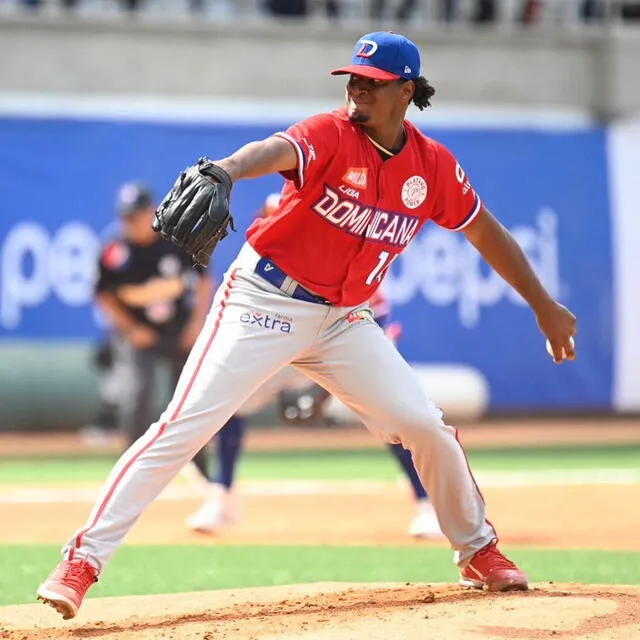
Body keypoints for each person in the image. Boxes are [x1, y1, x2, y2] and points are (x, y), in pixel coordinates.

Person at [37, 31, 577, 620]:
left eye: (371, 83)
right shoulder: (331, 133)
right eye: (352, 79)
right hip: (265, 299)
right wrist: (224, 170)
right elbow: (272, 151)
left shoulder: (432, 167)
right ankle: (82, 560)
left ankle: (478, 549)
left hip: (345, 319)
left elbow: (485, 231)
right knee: (183, 426)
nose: (356, 91)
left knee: (425, 424)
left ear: (405, 90)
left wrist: (541, 304)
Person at [183, 195, 442, 540]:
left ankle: (428, 504)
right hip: (282, 334)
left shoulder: (347, 256)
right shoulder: (264, 268)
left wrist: (323, 390)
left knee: (395, 414)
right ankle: (221, 496)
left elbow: (367, 328)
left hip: (341, 334)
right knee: (232, 399)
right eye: (273, 217)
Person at [86, 183, 214, 467]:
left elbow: (205, 280)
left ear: (152, 211)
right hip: (139, 333)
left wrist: (196, 324)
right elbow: (103, 294)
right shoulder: (115, 249)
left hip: (180, 329)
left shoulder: (176, 239)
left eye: (136, 215)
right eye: (126, 217)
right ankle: (134, 464)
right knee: (137, 393)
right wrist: (131, 329)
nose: (131, 222)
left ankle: (198, 462)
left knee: (191, 396)